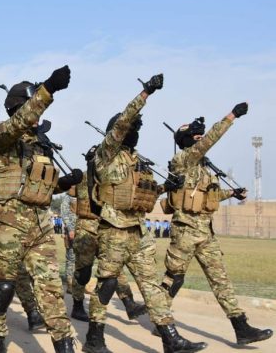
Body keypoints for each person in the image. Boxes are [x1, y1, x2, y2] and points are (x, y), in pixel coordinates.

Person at [83, 74, 206, 353]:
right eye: (132, 127)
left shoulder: (137, 161)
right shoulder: (107, 154)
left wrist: (165, 187)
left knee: (151, 285)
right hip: (114, 230)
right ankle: (94, 339)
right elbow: (124, 122)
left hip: (138, 231)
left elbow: (141, 194)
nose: (135, 130)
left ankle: (170, 338)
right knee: (107, 285)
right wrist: (145, 94)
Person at [0, 68, 80, 353]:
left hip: (40, 226)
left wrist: (63, 183)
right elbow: (17, 124)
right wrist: (47, 89)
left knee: (51, 289)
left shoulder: (39, 147)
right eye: (32, 106)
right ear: (18, 107)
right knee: (3, 289)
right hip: (8, 225)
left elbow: (41, 188)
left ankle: (64, 346)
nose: (37, 117)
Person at [162, 107, 272, 345]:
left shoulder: (202, 167)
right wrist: (231, 116)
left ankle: (242, 328)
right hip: (185, 231)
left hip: (205, 232)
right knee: (174, 278)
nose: (200, 140)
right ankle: (160, 321)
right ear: (186, 141)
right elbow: (211, 139)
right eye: (195, 137)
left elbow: (208, 197)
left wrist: (232, 193)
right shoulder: (183, 160)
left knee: (220, 280)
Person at [67, 176, 146, 323]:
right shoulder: (84, 177)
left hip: (106, 227)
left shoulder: (115, 177)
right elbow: (70, 195)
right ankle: (77, 305)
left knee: (113, 268)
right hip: (86, 227)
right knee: (83, 271)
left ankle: (129, 303)